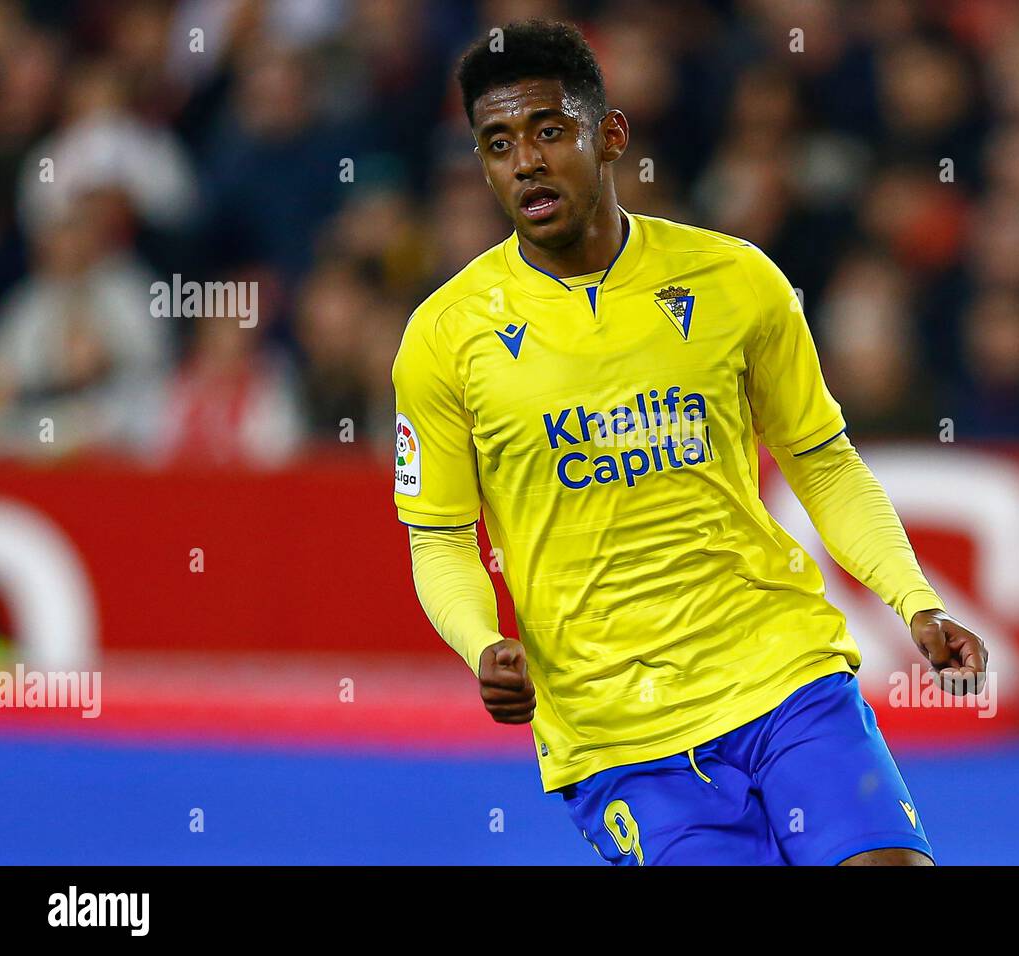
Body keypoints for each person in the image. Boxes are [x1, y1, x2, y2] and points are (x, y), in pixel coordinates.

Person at [392, 19, 988, 866]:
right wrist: (480, 641)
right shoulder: (444, 337)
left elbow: (821, 459)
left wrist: (914, 599)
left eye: (549, 131)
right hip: (618, 735)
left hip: (783, 675)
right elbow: (441, 535)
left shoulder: (736, 281)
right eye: (497, 144)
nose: (525, 161)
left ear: (610, 137)